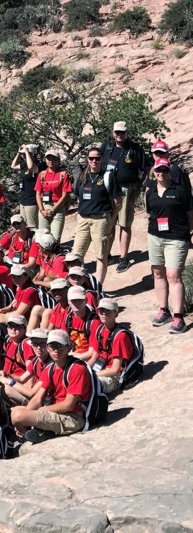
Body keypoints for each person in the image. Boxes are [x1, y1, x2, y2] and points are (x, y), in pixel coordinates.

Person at [10, 329, 92, 442]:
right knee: (16, 411)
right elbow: (37, 399)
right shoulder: (51, 368)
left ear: (68, 347)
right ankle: (37, 432)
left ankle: (30, 435)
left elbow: (68, 405)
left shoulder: (77, 369)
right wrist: (27, 414)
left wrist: (40, 411)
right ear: (48, 348)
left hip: (73, 418)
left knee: (18, 415)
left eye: (60, 346)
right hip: (58, 412)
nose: (55, 350)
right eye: (52, 347)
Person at [145, 157, 191, 334]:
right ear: (154, 172)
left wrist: (191, 233)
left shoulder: (180, 190)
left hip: (176, 237)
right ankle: (164, 310)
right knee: (158, 272)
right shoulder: (150, 192)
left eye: (164, 170)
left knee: (173, 275)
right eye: (158, 170)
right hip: (155, 235)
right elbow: (151, 211)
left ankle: (178, 316)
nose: (161, 173)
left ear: (169, 171)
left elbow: (190, 213)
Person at [100, 121, 148, 273]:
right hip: (108, 188)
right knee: (109, 222)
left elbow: (147, 167)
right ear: (113, 133)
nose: (119, 135)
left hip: (127, 189)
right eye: (117, 132)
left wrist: (141, 184)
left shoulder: (134, 148)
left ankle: (123, 257)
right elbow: (98, 164)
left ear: (127, 133)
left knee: (124, 223)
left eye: (122, 132)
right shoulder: (107, 147)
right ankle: (107, 255)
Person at [71, 148, 122, 288]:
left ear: (101, 159)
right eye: (91, 158)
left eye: (97, 158)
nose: (94, 161)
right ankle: (80, 285)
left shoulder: (107, 176)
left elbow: (118, 201)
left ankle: (97, 288)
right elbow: (77, 196)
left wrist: (111, 218)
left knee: (100, 255)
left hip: (100, 219)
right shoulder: (83, 176)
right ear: (87, 159)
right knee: (77, 254)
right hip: (83, 218)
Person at [83, 298, 135, 395]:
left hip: (113, 377)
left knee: (88, 385)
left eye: (108, 311)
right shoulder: (99, 330)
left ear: (116, 313)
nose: (104, 313)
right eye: (101, 310)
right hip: (100, 368)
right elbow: (94, 357)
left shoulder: (120, 336)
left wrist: (93, 375)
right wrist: (86, 371)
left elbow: (115, 370)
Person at [35, 150, 74, 241]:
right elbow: (38, 193)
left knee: (55, 238)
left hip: (58, 207)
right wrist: (41, 210)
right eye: (48, 159)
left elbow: (65, 195)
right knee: (42, 238)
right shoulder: (42, 175)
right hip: (44, 207)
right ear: (45, 160)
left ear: (58, 161)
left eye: (53, 159)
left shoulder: (63, 175)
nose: (51, 161)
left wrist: (53, 210)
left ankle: (54, 254)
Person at [12, 144, 45, 228]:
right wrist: (18, 153)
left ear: (32, 154)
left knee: (32, 226)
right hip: (23, 200)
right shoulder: (24, 165)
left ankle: (34, 241)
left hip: (32, 200)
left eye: (26, 154)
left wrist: (26, 151)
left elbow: (31, 167)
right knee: (24, 225)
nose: (24, 156)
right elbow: (13, 166)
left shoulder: (40, 165)